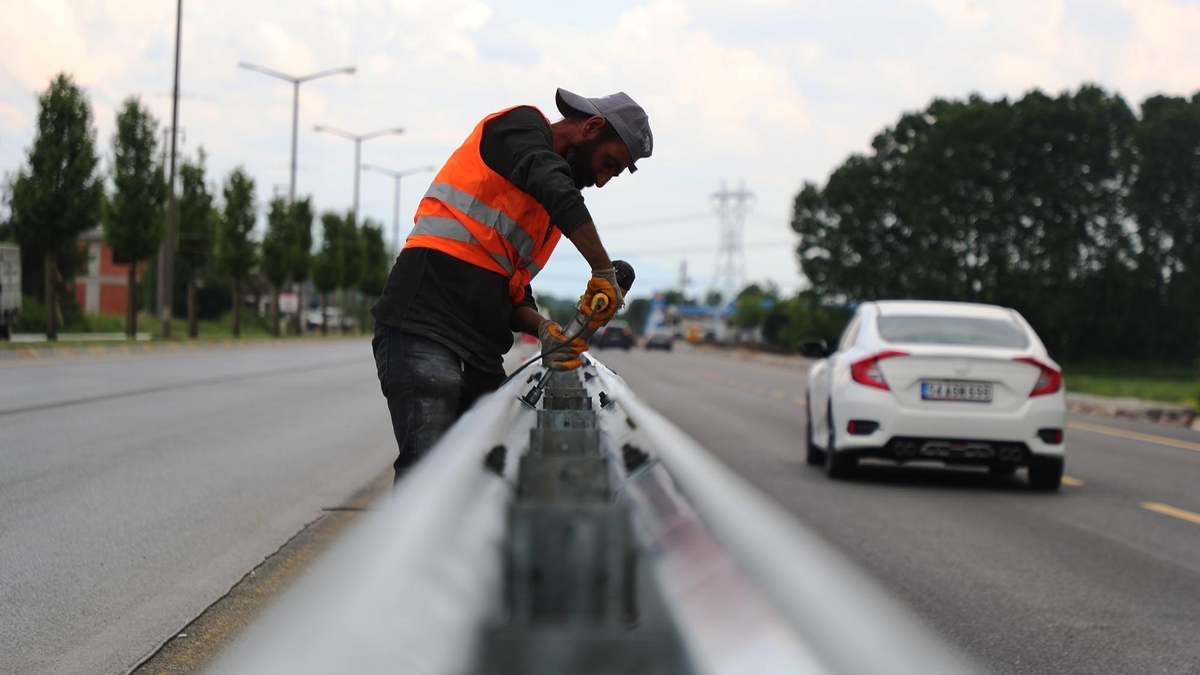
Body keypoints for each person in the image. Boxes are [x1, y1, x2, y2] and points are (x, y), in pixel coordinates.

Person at [370, 88, 653, 483]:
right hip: (423, 324)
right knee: (429, 475)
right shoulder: (521, 127)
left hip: (479, 349)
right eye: (608, 163)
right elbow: (550, 179)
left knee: (476, 477)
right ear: (590, 126)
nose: (603, 180)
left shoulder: (545, 216)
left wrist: (546, 332)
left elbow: (510, 289)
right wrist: (602, 270)